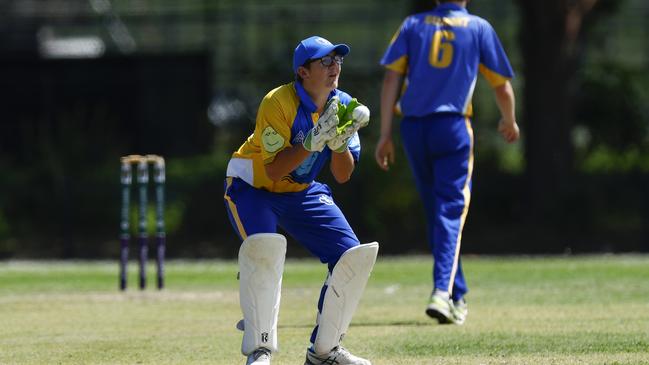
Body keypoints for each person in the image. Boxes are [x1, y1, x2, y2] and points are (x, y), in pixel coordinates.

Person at [223, 35, 377, 365]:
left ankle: (325, 351)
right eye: (325, 61)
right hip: (252, 187)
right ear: (302, 72)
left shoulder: (345, 104)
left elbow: (343, 174)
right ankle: (259, 350)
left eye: (337, 60)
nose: (334, 66)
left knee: (351, 256)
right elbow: (276, 170)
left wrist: (338, 143)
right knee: (265, 247)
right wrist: (311, 141)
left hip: (300, 192)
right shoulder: (277, 102)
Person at [375, 0, 520, 325]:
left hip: (413, 127)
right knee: (450, 210)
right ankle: (442, 291)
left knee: (435, 211)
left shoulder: (413, 25)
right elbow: (502, 86)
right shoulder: (479, 28)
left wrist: (385, 134)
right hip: (452, 128)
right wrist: (509, 120)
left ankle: (457, 295)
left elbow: (390, 80)